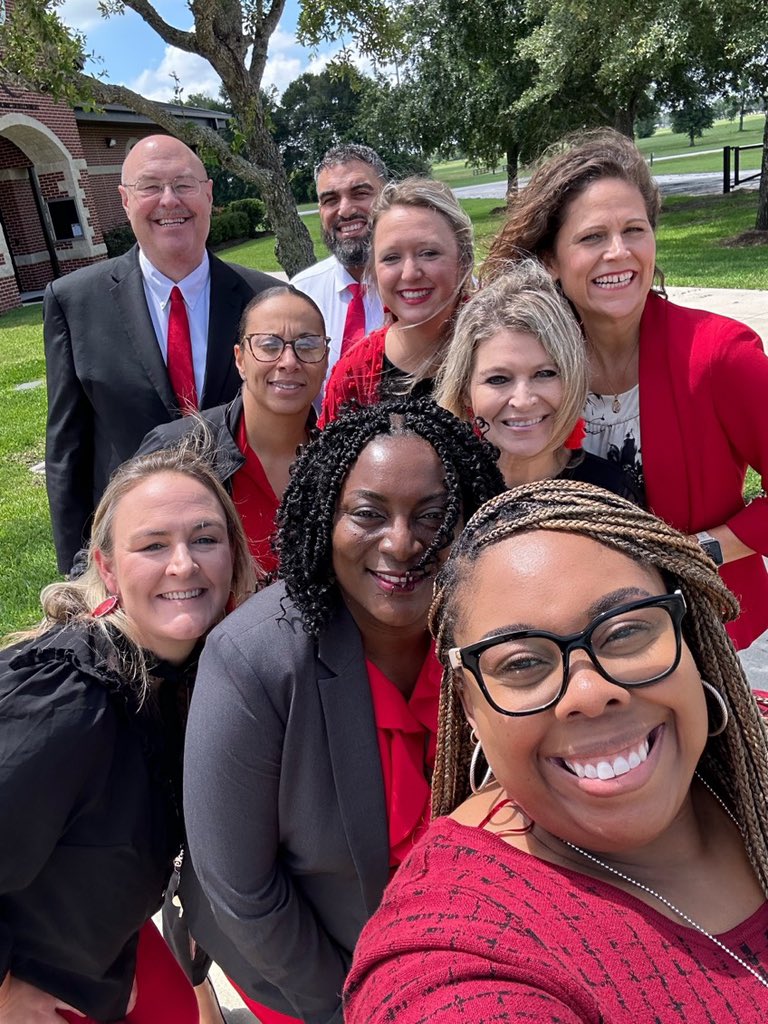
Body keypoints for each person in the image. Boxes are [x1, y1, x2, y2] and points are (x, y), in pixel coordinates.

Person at [345, 479, 768, 1022]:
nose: (591, 694)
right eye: (522, 663)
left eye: (624, 631)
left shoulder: (750, 753)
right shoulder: (457, 951)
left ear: (688, 639)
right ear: (470, 707)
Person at [180, 399, 505, 1023]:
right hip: (313, 972)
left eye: (433, 515)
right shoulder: (255, 662)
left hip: (469, 955)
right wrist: (351, 1008)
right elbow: (242, 890)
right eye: (368, 514)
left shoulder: (493, 637)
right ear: (325, 520)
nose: (403, 542)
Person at [481, 129, 768, 650]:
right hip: (570, 635)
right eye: (592, 237)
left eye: (634, 230)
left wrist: (702, 550)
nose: (618, 253)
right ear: (551, 260)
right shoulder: (532, 363)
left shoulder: (718, 353)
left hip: (706, 631)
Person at [0, 445, 256, 1023]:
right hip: (38, 983)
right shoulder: (69, 704)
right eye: (153, 545)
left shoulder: (186, 673)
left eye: (205, 538)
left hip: (108, 955)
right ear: (108, 568)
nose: (184, 565)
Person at [44, 134, 274, 576]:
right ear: (125, 200)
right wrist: (78, 571)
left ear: (208, 195)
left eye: (184, 185)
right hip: (132, 555)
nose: (169, 201)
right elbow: (67, 448)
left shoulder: (264, 298)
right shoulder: (74, 302)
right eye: (150, 187)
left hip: (247, 549)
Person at [138, 284, 328, 574]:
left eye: (307, 346)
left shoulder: (338, 457)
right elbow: (112, 553)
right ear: (240, 359)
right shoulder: (180, 450)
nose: (289, 362)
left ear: (326, 358)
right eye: (269, 345)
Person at [435, 259, 639, 499]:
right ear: (465, 392)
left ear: (573, 380)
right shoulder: (438, 494)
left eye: (545, 374)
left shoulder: (612, 493)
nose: (523, 401)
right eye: (498, 379)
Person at [319, 177, 474, 426]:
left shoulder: (506, 349)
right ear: (374, 271)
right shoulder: (353, 375)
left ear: (463, 260)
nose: (410, 273)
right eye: (391, 258)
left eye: (429, 253)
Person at [290, 144, 387, 383]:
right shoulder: (300, 294)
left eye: (360, 193)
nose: (345, 210)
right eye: (330, 200)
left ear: (388, 196)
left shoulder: (428, 286)